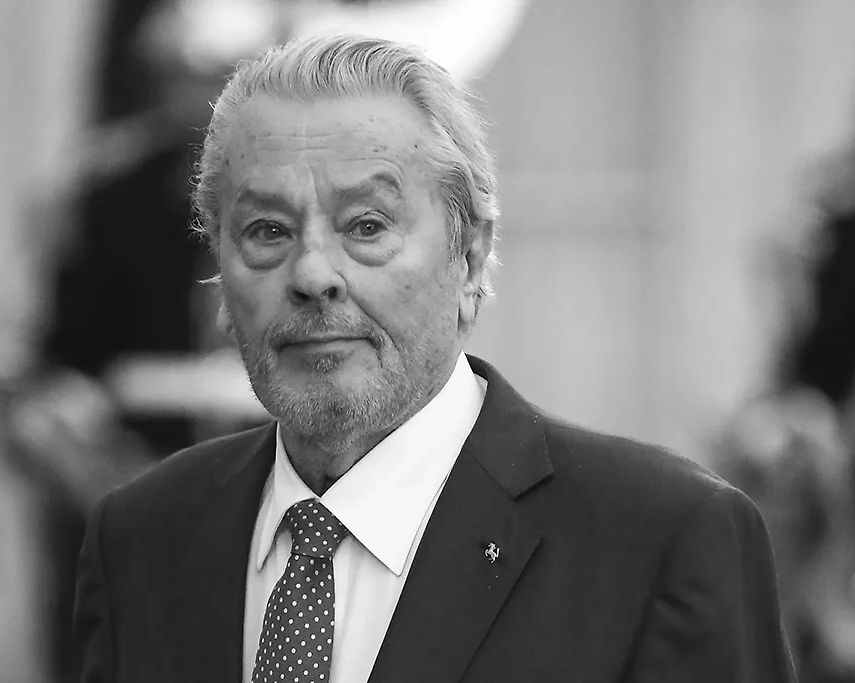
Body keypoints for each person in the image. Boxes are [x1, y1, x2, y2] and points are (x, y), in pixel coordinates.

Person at [74, 34, 797, 682]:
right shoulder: (138, 540)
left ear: (471, 256)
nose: (313, 273)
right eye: (267, 230)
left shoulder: (661, 543)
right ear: (218, 270)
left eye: (366, 226)